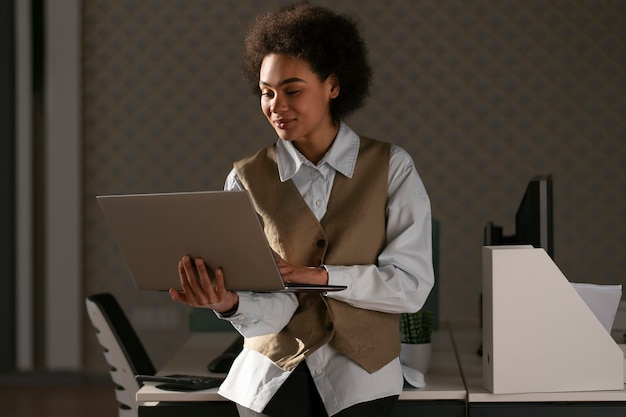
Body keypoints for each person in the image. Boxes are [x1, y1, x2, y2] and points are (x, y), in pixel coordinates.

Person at [169, 2, 434, 416]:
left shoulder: (392, 167)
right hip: (271, 379)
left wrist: (317, 276)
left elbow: (411, 286)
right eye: (266, 92)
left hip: (361, 379)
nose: (276, 105)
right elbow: (274, 307)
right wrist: (228, 303)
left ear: (333, 86)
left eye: (292, 90)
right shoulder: (245, 178)